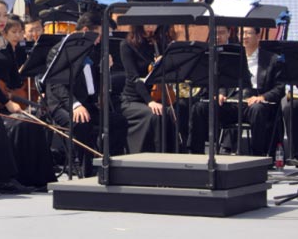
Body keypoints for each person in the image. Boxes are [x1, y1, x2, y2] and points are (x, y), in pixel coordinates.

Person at [0, 0, 53, 195]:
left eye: (4, 15)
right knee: (10, 123)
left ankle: (29, 178)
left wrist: (34, 66)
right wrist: (8, 102)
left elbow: (14, 80)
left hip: (0, 99)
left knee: (32, 123)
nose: (1, 19)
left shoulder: (5, 44)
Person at [45, 11, 127, 177]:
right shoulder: (60, 50)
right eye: (98, 34)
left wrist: (105, 69)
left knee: (118, 121)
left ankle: (110, 165)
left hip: (88, 103)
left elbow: (94, 82)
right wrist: (75, 105)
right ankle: (86, 170)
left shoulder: (93, 50)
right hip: (63, 103)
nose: (100, 39)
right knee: (82, 122)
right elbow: (57, 85)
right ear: (85, 30)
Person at [190, 27, 283, 156]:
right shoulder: (232, 56)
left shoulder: (271, 59)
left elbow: (280, 88)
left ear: (258, 35)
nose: (244, 36)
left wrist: (262, 97)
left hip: (253, 103)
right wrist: (220, 93)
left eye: (248, 33)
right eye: (241, 33)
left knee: (257, 110)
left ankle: (258, 156)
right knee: (199, 108)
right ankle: (196, 153)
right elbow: (222, 79)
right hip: (231, 102)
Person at [119, 24, 177, 153]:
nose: (151, 27)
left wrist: (165, 64)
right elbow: (134, 78)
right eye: (147, 23)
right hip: (134, 99)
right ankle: (154, 155)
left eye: (154, 24)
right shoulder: (127, 45)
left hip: (159, 95)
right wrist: (149, 101)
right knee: (155, 115)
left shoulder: (161, 44)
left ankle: (174, 155)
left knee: (176, 110)